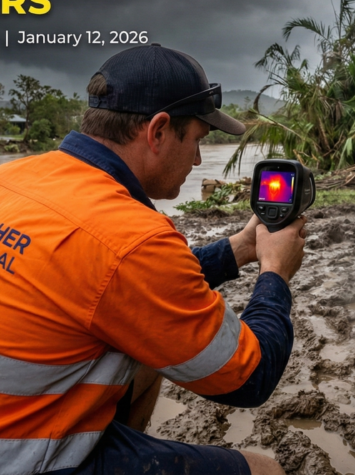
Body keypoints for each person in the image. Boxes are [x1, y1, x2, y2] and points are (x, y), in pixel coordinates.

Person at [0, 44, 307, 475]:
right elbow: (250, 377)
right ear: (158, 131)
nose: (198, 160)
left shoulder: (16, 176)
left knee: (147, 353)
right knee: (266, 471)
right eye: (198, 140)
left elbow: (131, 286)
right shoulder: (130, 234)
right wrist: (275, 272)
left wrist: (240, 248)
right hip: (19, 456)